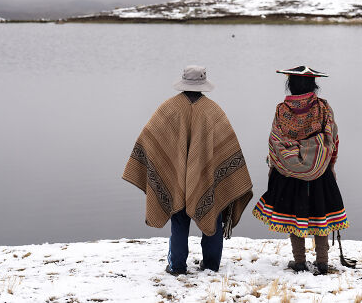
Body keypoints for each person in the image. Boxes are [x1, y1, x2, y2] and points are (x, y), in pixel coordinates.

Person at [123, 65, 253, 275]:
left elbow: (148, 139)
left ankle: (177, 266)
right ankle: (211, 265)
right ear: (203, 85)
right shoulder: (214, 111)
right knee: (213, 214)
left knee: (179, 218)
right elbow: (227, 149)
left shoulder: (168, 108)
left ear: (183, 83)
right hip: (207, 179)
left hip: (176, 179)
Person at [252, 65, 348, 275]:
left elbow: (274, 141)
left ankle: (300, 262)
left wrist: (275, 166)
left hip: (288, 172)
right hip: (320, 171)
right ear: (314, 85)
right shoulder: (323, 108)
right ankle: (322, 262)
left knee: (294, 215)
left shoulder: (281, 110)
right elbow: (333, 139)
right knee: (320, 213)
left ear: (291, 85)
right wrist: (330, 165)